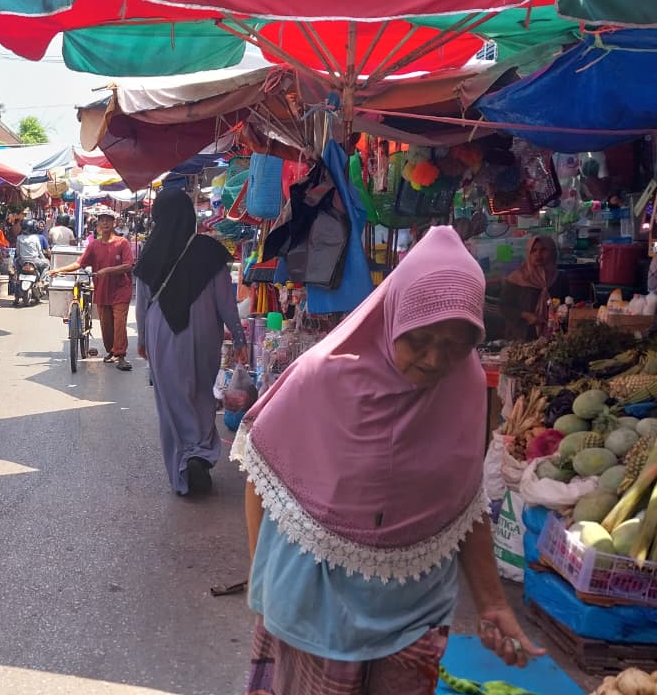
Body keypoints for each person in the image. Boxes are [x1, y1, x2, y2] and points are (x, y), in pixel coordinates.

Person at [236, 226, 544, 695]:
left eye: (455, 344)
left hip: (415, 616)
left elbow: (464, 501)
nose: (435, 359)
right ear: (394, 315)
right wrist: (263, 583)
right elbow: (261, 472)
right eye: (419, 339)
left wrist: (493, 604)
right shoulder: (322, 377)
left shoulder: (464, 386)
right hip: (317, 617)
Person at [134, 190, 246, 496]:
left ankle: (185, 461)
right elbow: (226, 301)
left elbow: (142, 304)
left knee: (172, 398)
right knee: (200, 391)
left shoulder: (150, 252)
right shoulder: (210, 251)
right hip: (205, 330)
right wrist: (238, 337)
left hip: (162, 331)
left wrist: (143, 339)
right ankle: (201, 453)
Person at [51, 211, 135, 371]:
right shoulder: (94, 245)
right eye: (102, 220)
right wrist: (59, 270)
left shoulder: (122, 243)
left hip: (121, 290)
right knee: (106, 326)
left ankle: (121, 356)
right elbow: (79, 263)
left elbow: (128, 265)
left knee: (119, 323)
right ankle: (112, 351)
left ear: (114, 223)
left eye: (108, 220)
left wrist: (107, 271)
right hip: (102, 290)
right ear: (98, 225)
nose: (105, 223)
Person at [500, 234, 567, 341]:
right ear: (528, 253)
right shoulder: (517, 279)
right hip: (523, 338)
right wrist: (526, 315)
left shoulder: (559, 278)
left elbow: (567, 304)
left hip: (555, 336)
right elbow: (504, 307)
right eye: (533, 250)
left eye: (543, 250)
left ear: (552, 252)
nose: (538, 254)